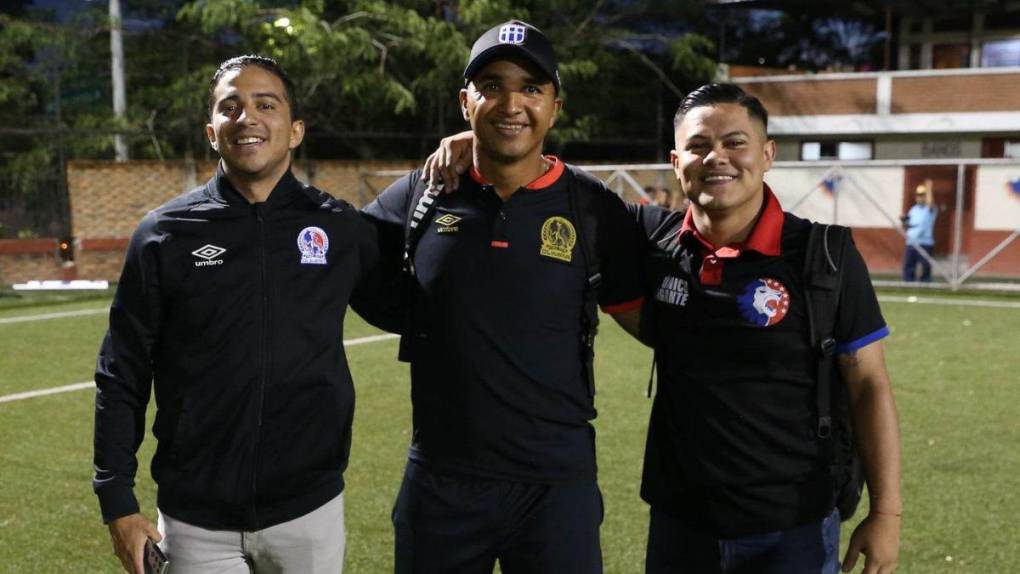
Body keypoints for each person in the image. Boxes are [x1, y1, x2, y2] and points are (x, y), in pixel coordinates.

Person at [360, 20, 644, 574]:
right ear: (465, 101)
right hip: (442, 480)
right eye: (491, 86)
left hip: (556, 487)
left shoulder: (594, 209)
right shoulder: (423, 192)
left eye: (532, 88)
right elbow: (342, 263)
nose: (511, 103)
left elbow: (655, 309)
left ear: (555, 107)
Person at [92, 55, 386, 574]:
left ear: (295, 131)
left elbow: (413, 303)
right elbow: (123, 371)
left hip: (308, 509)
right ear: (212, 131)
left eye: (265, 104)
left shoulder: (339, 228)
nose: (247, 117)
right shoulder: (164, 234)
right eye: (231, 107)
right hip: (194, 521)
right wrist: (117, 498)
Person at [633, 83, 901, 573]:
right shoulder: (653, 242)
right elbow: (565, 191)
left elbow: (868, 386)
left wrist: (886, 512)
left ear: (767, 154)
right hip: (680, 523)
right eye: (698, 146)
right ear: (676, 163)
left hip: (793, 526)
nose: (717, 157)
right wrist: (474, 147)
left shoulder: (824, 256)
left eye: (735, 142)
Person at [901, 181, 937, 282]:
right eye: (918, 195)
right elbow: (908, 226)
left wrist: (929, 188)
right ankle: (908, 283)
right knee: (909, 265)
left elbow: (930, 203)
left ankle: (925, 283)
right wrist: (904, 221)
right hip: (911, 243)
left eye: (922, 195)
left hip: (925, 243)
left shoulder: (930, 209)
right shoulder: (913, 210)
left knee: (925, 266)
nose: (919, 197)